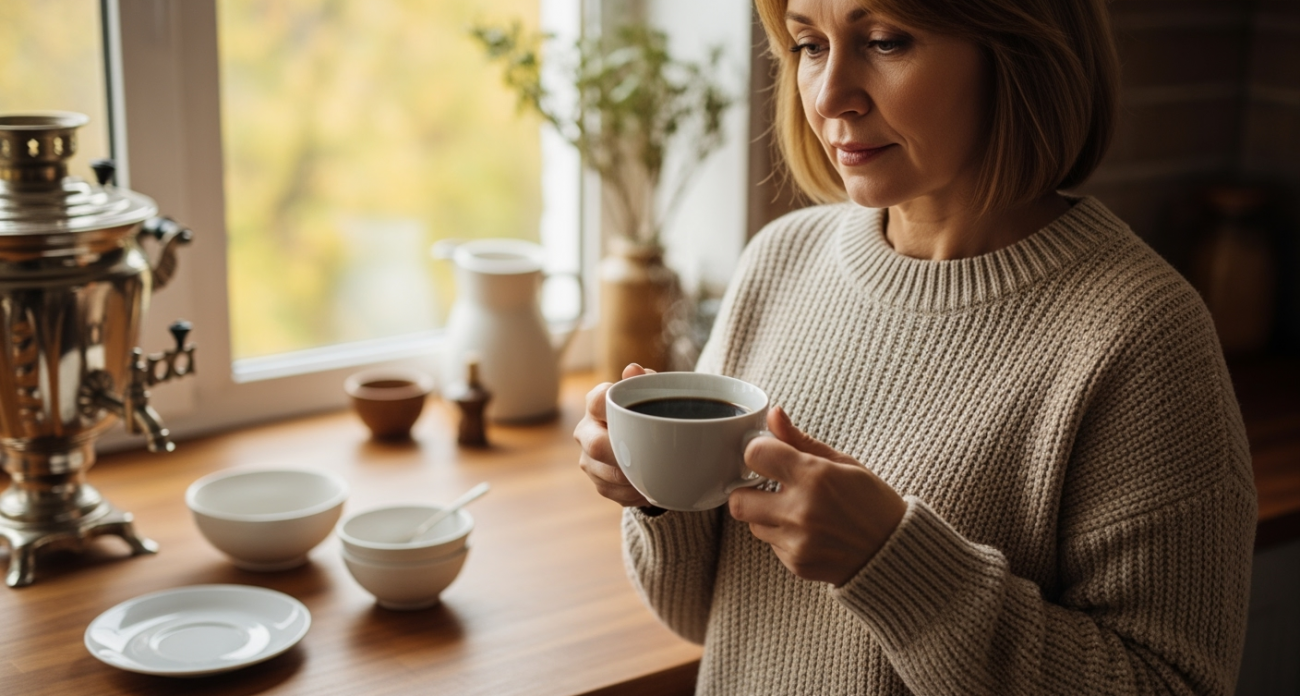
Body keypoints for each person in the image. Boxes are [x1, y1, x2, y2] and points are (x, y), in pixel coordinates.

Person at [573, 0, 1257, 693]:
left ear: (1020, 54)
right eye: (810, 45)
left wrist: (892, 565)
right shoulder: (778, 263)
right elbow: (708, 617)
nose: (831, 95)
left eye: (884, 41)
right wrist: (658, 493)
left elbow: (1171, 684)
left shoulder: (1142, 335)